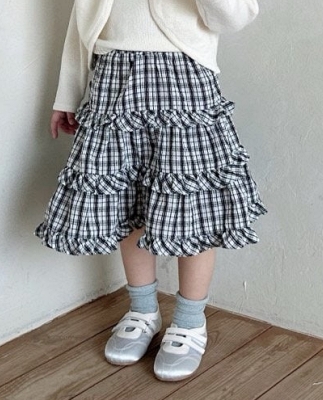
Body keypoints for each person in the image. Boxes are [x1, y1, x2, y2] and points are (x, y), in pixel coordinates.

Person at [35, 0, 267, 381]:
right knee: (128, 200)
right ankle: (143, 309)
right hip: (112, 77)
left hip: (184, 74)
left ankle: (190, 321)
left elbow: (235, 15)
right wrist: (68, 94)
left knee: (191, 206)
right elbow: (84, 20)